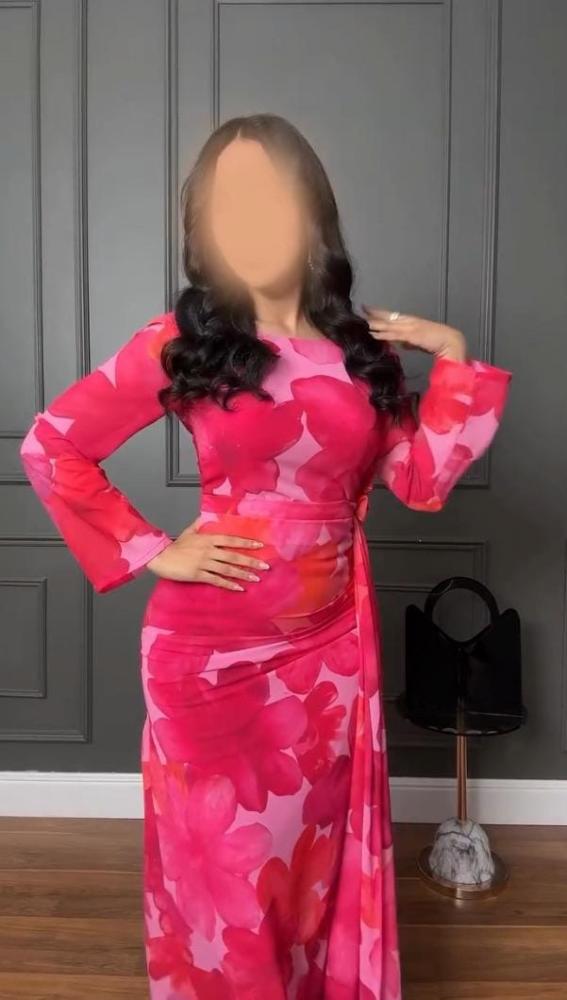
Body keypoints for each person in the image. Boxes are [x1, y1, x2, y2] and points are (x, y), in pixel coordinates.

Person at [19, 113, 512, 999]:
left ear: (310, 213)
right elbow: (52, 443)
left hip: (328, 662)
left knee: (304, 874)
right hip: (209, 660)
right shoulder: (184, 344)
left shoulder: (362, 356)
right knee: (228, 888)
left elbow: (420, 481)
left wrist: (452, 358)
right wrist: (153, 549)